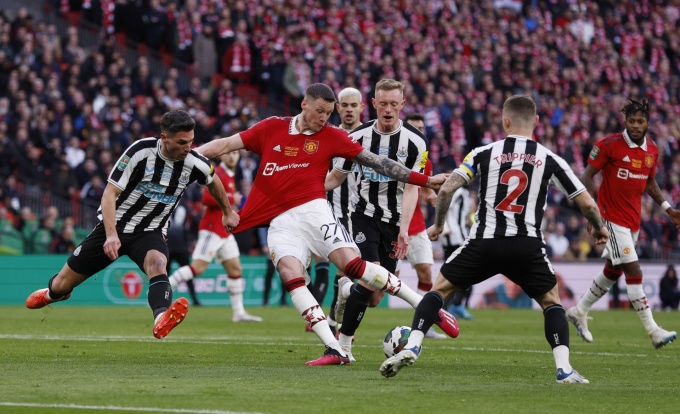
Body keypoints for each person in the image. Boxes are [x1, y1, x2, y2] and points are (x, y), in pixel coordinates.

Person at [197, 83, 458, 366]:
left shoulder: (334, 136)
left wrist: (424, 180)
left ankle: (426, 306)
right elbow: (224, 144)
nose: (324, 118)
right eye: (320, 111)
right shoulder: (271, 128)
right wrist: (192, 155)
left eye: (328, 113)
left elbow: (379, 163)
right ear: (304, 105)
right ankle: (334, 349)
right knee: (290, 274)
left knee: (353, 267)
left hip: (315, 211)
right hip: (280, 221)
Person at [380, 94, 609, 384]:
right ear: (536, 122)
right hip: (527, 245)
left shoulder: (483, 152)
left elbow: (448, 189)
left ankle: (412, 345)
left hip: (484, 242)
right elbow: (587, 203)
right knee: (552, 303)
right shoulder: (550, 159)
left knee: (439, 290)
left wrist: (438, 225)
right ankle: (564, 369)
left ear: (505, 120)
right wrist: (598, 227)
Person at [25, 110, 239, 340]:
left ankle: (161, 318)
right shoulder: (139, 152)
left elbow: (214, 181)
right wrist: (110, 235)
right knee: (62, 284)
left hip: (151, 231)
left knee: (158, 263)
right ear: (164, 138)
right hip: (115, 226)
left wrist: (227, 212)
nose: (188, 147)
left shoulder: (194, 162)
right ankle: (53, 294)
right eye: (182, 142)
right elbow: (109, 193)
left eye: (191, 141)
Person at [326, 80, 443, 362]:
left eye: (394, 104)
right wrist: (305, 193)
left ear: (402, 105)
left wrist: (404, 230)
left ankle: (345, 290)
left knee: (375, 296)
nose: (388, 109)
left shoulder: (416, 142)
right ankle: (343, 347)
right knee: (372, 275)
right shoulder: (358, 137)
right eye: (383, 103)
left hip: (394, 222)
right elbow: (336, 177)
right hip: (363, 216)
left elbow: (412, 187)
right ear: (374, 104)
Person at [566, 99, 680, 349]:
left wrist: (668, 209)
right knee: (634, 271)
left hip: (632, 221)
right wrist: (591, 213)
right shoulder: (609, 145)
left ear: (648, 124)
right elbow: (586, 175)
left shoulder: (651, 150)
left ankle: (578, 310)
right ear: (625, 122)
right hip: (610, 218)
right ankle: (653, 331)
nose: (636, 125)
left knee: (613, 270)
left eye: (640, 121)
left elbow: (649, 183)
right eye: (632, 121)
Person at [168, 149, 262, 322]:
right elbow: (206, 199)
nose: (232, 156)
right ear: (222, 156)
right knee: (198, 267)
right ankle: (163, 290)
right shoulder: (218, 173)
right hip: (212, 229)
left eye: (235, 154)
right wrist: (231, 197)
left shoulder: (229, 174)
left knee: (235, 269)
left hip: (224, 231)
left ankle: (238, 313)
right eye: (229, 154)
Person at [394, 113, 446, 338]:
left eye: (422, 128)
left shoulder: (425, 160)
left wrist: (433, 198)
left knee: (426, 273)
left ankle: (423, 324)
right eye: (414, 128)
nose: (419, 132)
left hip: (415, 225)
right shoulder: (392, 155)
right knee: (382, 287)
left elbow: (425, 189)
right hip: (390, 225)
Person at [324, 86, 364, 335]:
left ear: (361, 107)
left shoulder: (371, 135)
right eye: (344, 105)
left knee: (363, 284)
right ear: (337, 107)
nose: (349, 110)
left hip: (364, 213)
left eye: (353, 105)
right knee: (345, 268)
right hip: (332, 211)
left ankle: (332, 318)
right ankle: (335, 325)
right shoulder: (327, 135)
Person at [440, 183, 474, 320]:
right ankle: (453, 306)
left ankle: (452, 306)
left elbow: (460, 215)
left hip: (459, 237)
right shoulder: (458, 191)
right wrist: (446, 228)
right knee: (460, 274)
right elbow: (444, 206)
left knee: (458, 274)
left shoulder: (465, 194)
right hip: (453, 238)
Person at [166, 199, 201, 306]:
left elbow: (195, 222)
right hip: (168, 247)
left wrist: (190, 240)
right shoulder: (165, 207)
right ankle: (162, 299)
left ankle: (194, 299)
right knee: (164, 275)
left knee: (188, 274)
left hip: (181, 247)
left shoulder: (184, 208)